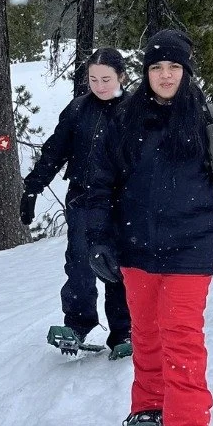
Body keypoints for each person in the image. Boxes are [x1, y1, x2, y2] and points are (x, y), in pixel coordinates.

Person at [84, 29, 213, 426]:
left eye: (173, 68)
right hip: (135, 246)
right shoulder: (124, 119)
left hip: (191, 245)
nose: (165, 75)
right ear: (146, 73)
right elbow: (97, 186)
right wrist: (99, 240)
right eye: (156, 68)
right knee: (145, 332)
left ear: (185, 72)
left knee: (180, 338)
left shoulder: (209, 120)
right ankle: (149, 403)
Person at [20, 47, 132, 359]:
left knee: (116, 265)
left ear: (121, 77)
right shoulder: (78, 109)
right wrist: (33, 188)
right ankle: (78, 324)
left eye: (106, 79)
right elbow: (55, 151)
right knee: (80, 263)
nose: (100, 85)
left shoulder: (134, 110)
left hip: (121, 202)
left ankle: (124, 330)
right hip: (82, 198)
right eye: (94, 79)